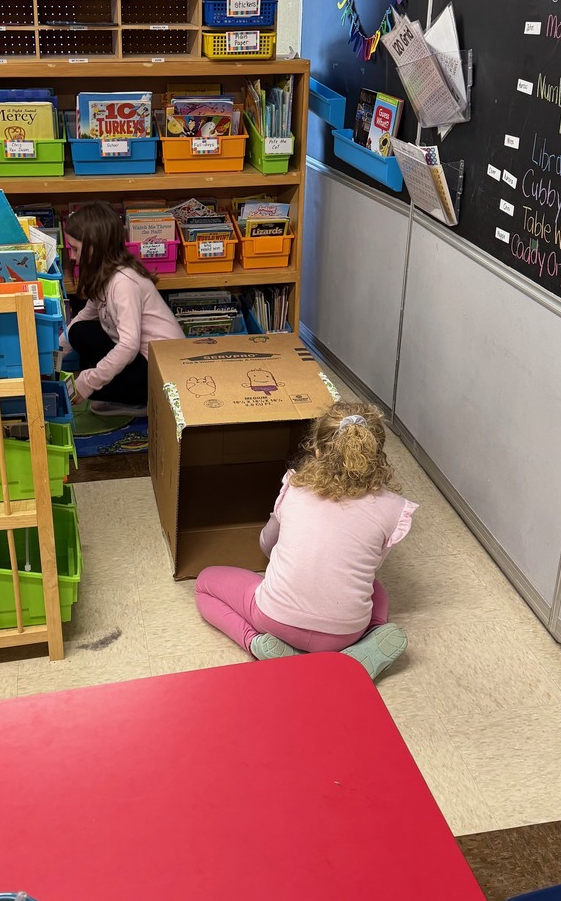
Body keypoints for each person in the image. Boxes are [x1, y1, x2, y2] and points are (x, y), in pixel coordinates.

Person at [194, 401, 417, 680]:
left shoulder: (294, 486)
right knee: (376, 588)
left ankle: (255, 642)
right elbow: (372, 566)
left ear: (317, 450)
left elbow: (266, 543)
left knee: (205, 584)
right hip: (346, 632)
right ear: (376, 454)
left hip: (275, 620)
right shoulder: (394, 508)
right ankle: (366, 644)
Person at [60, 201, 184, 414]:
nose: (72, 256)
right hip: (144, 359)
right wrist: (53, 356)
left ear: (94, 247)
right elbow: (82, 319)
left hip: (163, 372)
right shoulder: (106, 275)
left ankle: (146, 401)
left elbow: (128, 346)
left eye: (75, 249)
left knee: (89, 385)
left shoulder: (123, 282)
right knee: (79, 332)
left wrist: (88, 382)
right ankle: (128, 395)